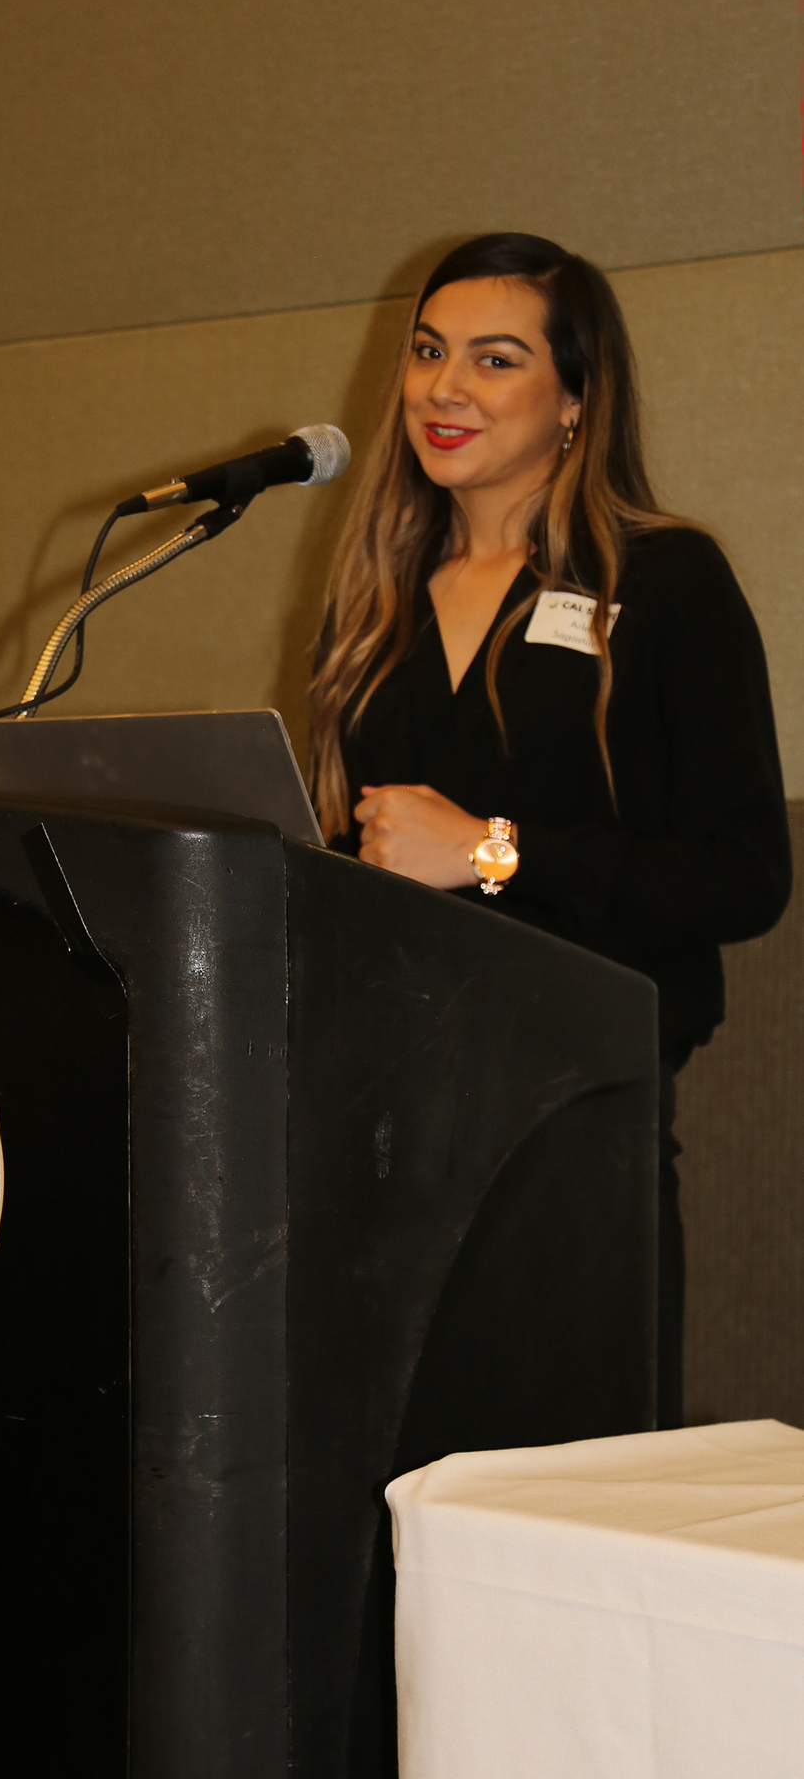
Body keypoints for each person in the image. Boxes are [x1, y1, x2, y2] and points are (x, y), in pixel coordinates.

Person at [309, 232, 792, 1428]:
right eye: (427, 353)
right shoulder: (373, 604)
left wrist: (491, 851)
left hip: (578, 1131)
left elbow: (744, 876)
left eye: (494, 358)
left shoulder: (667, 583)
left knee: (559, 1502)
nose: (443, 387)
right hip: (390, 1132)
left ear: (574, 399)